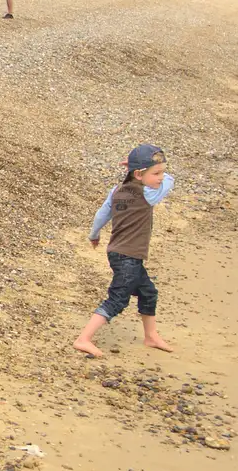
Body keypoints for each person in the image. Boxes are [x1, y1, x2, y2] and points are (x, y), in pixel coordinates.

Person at [73, 144, 177, 358]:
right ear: (138, 174)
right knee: (118, 298)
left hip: (119, 254)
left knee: (148, 292)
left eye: (162, 172)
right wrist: (163, 175)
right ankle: (83, 339)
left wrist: (94, 234)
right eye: (156, 173)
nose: (161, 177)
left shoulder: (116, 191)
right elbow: (170, 182)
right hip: (128, 258)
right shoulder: (149, 194)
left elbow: (102, 214)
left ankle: (151, 336)